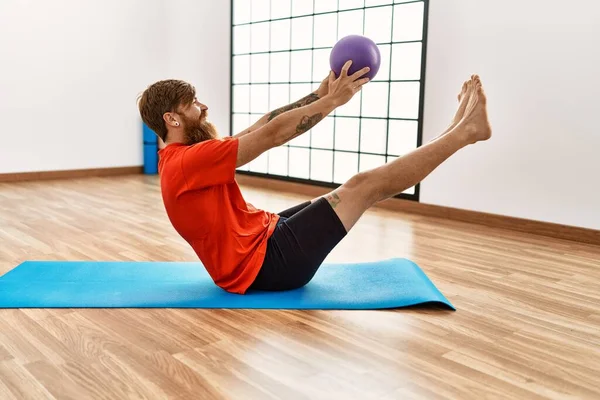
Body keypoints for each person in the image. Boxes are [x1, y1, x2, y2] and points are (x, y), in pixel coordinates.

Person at [137, 61, 492, 294]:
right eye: (193, 103)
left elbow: (262, 125)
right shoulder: (187, 162)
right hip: (266, 265)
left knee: (352, 189)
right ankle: (464, 134)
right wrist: (333, 102)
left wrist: (320, 94)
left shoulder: (183, 158)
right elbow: (272, 135)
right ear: (173, 119)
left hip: (264, 236)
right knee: (362, 186)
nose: (204, 106)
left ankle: (456, 129)